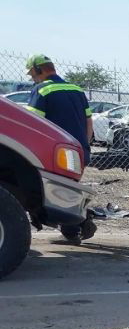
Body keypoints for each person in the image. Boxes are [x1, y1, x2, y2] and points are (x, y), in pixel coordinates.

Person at [24, 53, 96, 242]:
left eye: (33, 74)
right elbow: (89, 123)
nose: (33, 78)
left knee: (56, 191)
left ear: (39, 70)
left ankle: (76, 226)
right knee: (69, 187)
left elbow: (33, 123)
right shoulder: (76, 90)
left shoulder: (42, 90)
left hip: (54, 153)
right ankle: (76, 226)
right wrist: (84, 147)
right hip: (79, 152)